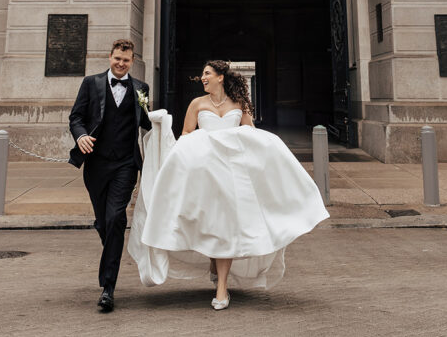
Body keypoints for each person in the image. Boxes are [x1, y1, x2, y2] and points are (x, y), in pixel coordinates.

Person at [128, 60, 329, 310]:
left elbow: (251, 134)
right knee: (213, 224)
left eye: (207, 73)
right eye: (202, 74)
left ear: (220, 77)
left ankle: (222, 289)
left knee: (225, 227)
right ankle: (215, 264)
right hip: (206, 176)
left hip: (233, 176)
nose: (202, 77)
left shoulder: (239, 104)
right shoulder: (197, 104)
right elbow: (186, 136)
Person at [68, 38, 151, 313]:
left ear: (132, 61)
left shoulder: (141, 88)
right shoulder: (91, 84)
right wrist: (80, 137)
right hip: (96, 164)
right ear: (110, 57)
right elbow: (76, 117)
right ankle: (111, 246)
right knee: (104, 223)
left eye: (126, 60)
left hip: (126, 165)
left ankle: (108, 288)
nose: (120, 63)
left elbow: (148, 122)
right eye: (117, 58)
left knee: (116, 217)